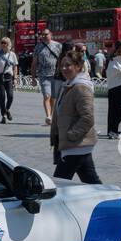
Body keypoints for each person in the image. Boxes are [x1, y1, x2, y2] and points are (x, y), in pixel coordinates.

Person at [50, 47, 100, 183]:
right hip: (77, 146)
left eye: (68, 65)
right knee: (92, 182)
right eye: (62, 66)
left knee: (59, 184)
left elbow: (88, 117)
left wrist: (71, 135)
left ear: (78, 66)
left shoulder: (81, 88)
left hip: (75, 146)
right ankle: (106, 198)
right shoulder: (68, 85)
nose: (64, 69)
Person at [34, 28, 62, 125]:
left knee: (53, 97)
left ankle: (53, 115)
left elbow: (62, 60)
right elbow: (34, 63)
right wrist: (33, 77)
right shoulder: (38, 47)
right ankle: (48, 116)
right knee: (47, 95)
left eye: (46, 34)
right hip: (43, 75)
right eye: (43, 34)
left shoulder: (58, 45)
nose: (44, 36)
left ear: (51, 35)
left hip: (55, 75)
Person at [0, 36, 18, 123]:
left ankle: (7, 109)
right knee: (2, 96)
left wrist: (15, 78)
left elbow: (15, 67)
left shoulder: (12, 55)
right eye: (2, 43)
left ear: (9, 44)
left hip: (9, 77)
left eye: (5, 43)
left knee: (10, 96)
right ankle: (3, 116)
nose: (3, 44)